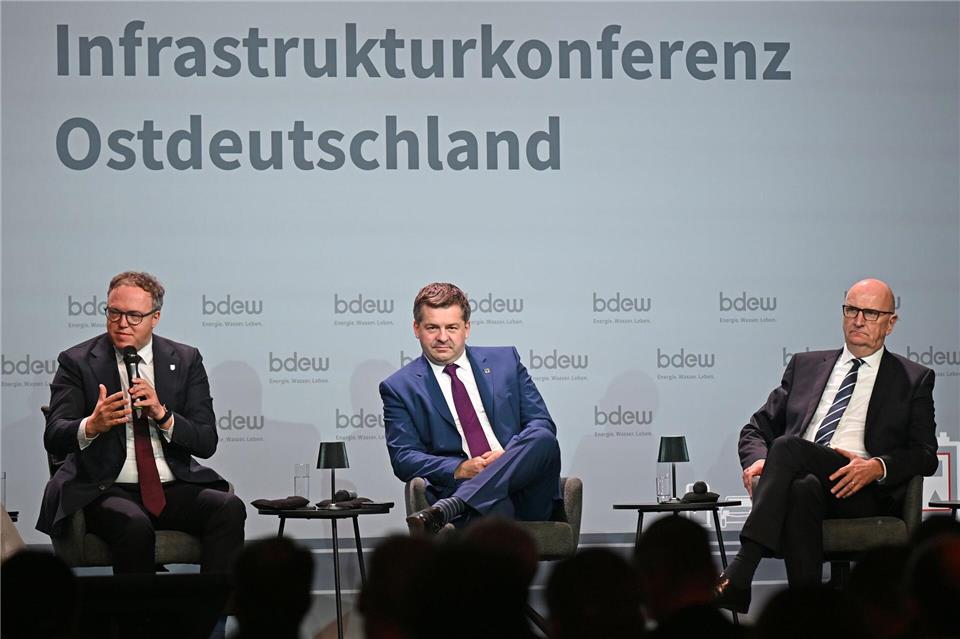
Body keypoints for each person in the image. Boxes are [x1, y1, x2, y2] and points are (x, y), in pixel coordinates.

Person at [716, 278, 938, 612]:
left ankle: (744, 565)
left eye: (871, 313)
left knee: (789, 447)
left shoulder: (913, 378)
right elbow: (755, 429)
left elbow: (925, 454)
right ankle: (810, 614)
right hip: (800, 483)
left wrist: (877, 467)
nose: (858, 320)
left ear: (891, 323)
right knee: (801, 486)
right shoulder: (805, 366)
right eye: (851, 309)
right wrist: (759, 461)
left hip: (859, 490)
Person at [37, 271, 245, 573]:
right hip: (106, 489)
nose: (122, 324)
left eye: (134, 316)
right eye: (114, 313)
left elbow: (206, 441)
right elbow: (54, 435)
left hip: (171, 486)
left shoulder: (186, 360)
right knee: (134, 525)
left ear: (155, 317)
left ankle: (212, 618)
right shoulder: (77, 362)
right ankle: (138, 620)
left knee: (228, 508)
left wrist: (164, 415)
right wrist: (91, 426)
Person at [379, 282, 561, 534]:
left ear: (467, 328)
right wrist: (458, 468)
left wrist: (507, 456)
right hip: (469, 487)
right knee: (494, 510)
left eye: (451, 327)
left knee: (543, 438)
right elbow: (404, 458)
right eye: (432, 327)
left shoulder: (506, 360)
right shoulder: (399, 387)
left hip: (527, 491)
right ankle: (468, 500)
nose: (442, 337)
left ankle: (453, 506)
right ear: (416, 329)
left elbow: (541, 423)